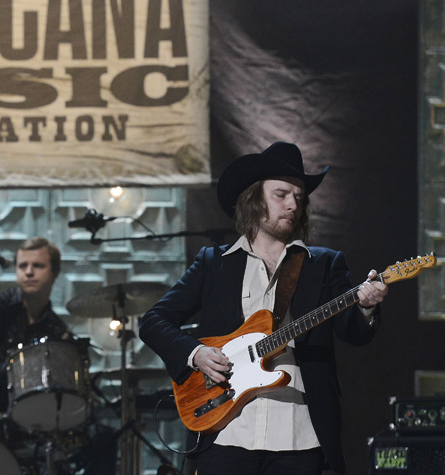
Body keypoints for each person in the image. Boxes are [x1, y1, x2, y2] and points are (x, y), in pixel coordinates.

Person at [139, 142, 388, 475]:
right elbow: (154, 321)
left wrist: (366, 307)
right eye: (281, 194)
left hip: (299, 434)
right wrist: (196, 354)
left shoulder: (324, 264)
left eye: (299, 198)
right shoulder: (214, 264)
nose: (292, 205)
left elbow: (352, 332)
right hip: (226, 430)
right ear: (254, 200)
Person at [0, 236, 115, 474]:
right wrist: (10, 372)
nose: (28, 272)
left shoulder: (57, 330)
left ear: (55, 272)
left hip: (37, 426)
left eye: (37, 266)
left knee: (103, 437)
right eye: (22, 266)